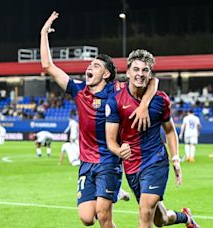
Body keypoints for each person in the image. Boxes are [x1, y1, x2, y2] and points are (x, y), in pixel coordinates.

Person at [40, 12, 158, 227]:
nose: (89, 68)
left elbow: (153, 81)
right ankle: (114, 191)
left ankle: (111, 190)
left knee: (104, 216)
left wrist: (143, 105)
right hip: (86, 162)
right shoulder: (79, 90)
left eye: (95, 66)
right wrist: (43, 33)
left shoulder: (118, 90)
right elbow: (49, 66)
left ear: (105, 75)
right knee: (87, 219)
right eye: (90, 65)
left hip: (109, 160)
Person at [106, 49, 199, 228]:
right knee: (160, 219)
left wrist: (175, 158)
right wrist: (119, 151)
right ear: (128, 72)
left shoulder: (160, 100)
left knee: (145, 208)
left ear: (150, 74)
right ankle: (186, 218)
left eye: (145, 70)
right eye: (136, 69)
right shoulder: (116, 100)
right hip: (132, 166)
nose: (140, 74)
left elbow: (170, 131)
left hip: (156, 161)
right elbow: (111, 139)